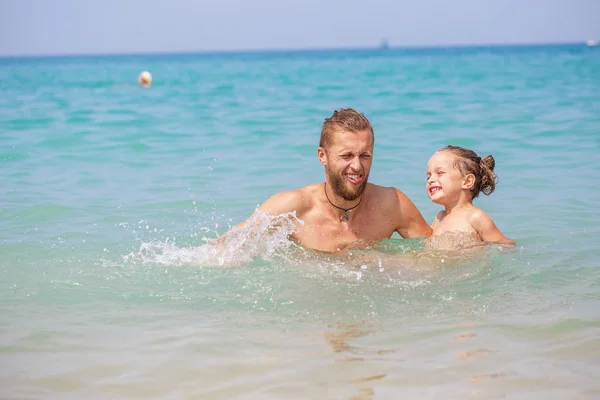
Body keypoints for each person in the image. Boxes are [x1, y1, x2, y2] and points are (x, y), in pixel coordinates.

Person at [227, 108, 432, 253]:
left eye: (365, 155)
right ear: (322, 156)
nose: (357, 166)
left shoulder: (392, 203)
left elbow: (436, 253)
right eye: (346, 156)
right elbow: (228, 246)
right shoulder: (293, 207)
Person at [425, 145, 515, 246]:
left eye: (440, 173)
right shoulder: (440, 217)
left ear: (467, 181)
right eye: (428, 177)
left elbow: (506, 243)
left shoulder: (475, 217)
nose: (431, 180)